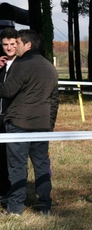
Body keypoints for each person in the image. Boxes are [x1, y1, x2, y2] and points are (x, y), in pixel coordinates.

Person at [0, 29, 59, 216]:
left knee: (17, 166)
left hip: (19, 124)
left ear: (28, 45)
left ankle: (16, 208)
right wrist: (49, 125)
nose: (14, 46)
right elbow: (54, 101)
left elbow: (7, 91)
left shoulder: (21, 64)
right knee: (41, 165)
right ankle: (45, 206)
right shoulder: (50, 67)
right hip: (41, 126)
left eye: (17, 43)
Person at [0, 27, 18, 205]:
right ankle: (3, 190)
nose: (9, 47)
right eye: (5, 44)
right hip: (0, 117)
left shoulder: (22, 64)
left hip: (14, 117)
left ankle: (15, 192)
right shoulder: (1, 64)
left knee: (13, 157)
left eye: (12, 44)